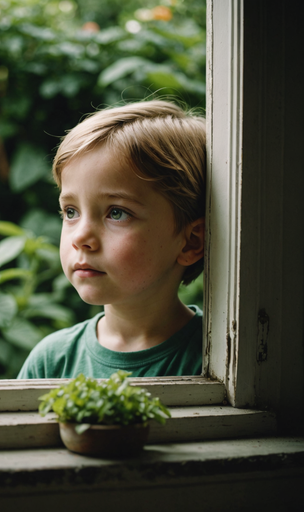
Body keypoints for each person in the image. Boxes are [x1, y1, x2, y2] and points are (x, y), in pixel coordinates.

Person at [17, 100, 206, 379]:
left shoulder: (218, 357)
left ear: (190, 242)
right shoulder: (51, 362)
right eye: (71, 212)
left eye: (116, 213)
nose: (81, 237)